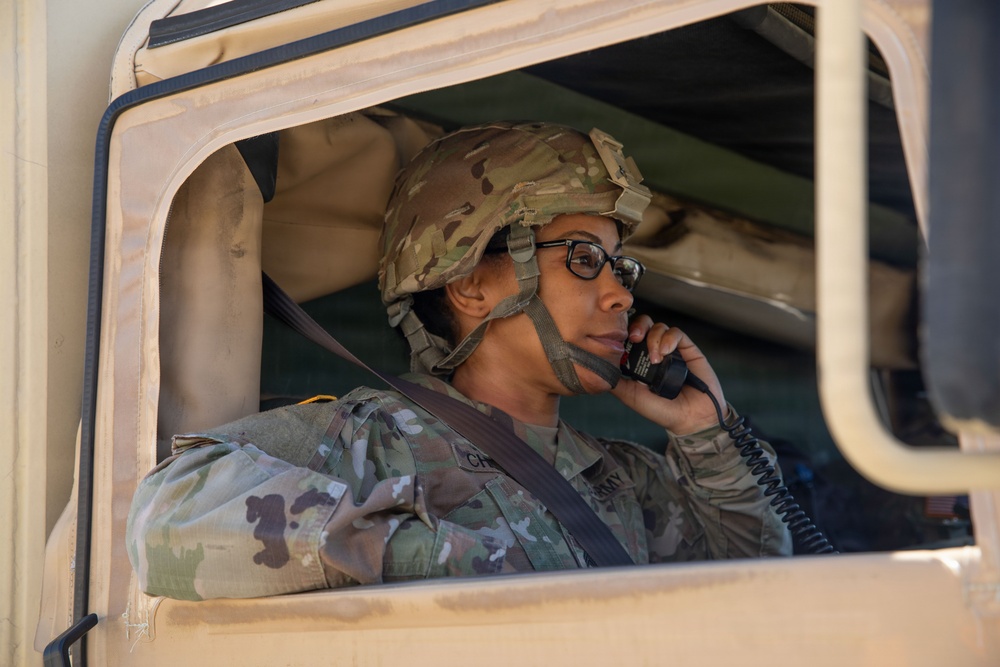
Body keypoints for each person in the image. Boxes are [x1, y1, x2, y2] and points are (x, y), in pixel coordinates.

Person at [126, 121, 792, 601]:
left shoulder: (622, 475)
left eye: (622, 267)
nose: (621, 293)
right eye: (585, 260)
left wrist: (703, 430)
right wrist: (441, 560)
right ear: (471, 283)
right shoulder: (371, 440)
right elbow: (165, 516)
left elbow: (757, 580)